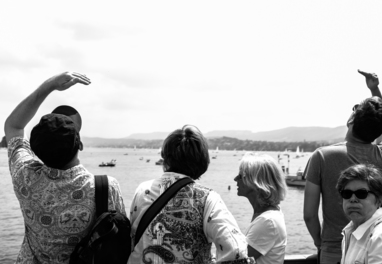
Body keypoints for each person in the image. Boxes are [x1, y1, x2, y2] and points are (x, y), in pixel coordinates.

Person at [4, 72, 126, 263]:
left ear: (35, 150)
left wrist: (49, 85)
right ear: (80, 145)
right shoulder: (105, 187)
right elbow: (121, 239)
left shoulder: (24, 176)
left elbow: (13, 126)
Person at [303, 70, 382, 264]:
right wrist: (375, 90)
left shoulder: (322, 156)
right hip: (373, 242)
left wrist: (321, 244)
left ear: (351, 121)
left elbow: (309, 215)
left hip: (334, 248)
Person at [128, 125, 255, 264]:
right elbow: (237, 251)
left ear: (166, 157)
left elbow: (132, 239)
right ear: (201, 161)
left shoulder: (143, 190)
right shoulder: (207, 199)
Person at [336, 164, 382, 263]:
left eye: (361, 193)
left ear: (379, 200)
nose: (352, 199)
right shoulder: (350, 231)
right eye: (347, 193)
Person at [234, 153, 287, 264]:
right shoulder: (269, 213)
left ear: (255, 181)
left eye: (240, 176)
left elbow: (239, 261)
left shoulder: (267, 221)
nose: (235, 179)